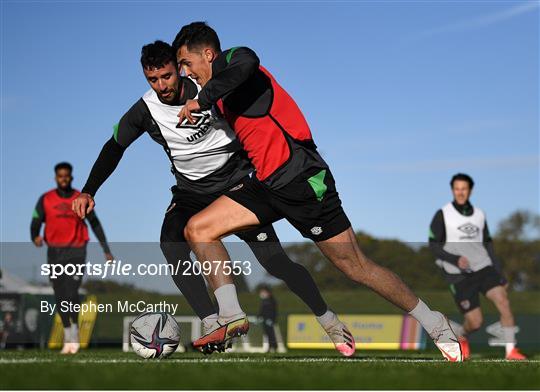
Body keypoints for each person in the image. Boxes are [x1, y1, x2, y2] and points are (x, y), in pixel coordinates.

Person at [173, 21, 462, 362]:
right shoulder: (221, 100)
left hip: (303, 178)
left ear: (208, 54)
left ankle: (434, 321)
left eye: (186, 64)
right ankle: (231, 314)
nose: (185, 73)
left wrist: (201, 100)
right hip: (266, 183)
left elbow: (248, 62)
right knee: (198, 228)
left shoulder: (233, 61)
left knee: (355, 266)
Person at [72, 41, 355, 356]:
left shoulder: (207, 84)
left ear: (179, 68)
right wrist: (88, 190)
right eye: (153, 80)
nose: (161, 85)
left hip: (236, 184)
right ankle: (213, 323)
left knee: (276, 263)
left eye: (166, 76)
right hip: (191, 192)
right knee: (171, 244)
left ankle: (328, 320)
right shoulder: (145, 110)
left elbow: (243, 75)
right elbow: (114, 145)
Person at [429, 173, 526, 360]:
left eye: (464, 188)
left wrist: (499, 273)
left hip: (484, 267)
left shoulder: (480, 215)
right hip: (458, 274)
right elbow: (433, 245)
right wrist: (455, 259)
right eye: (457, 188)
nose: (460, 192)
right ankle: (461, 335)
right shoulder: (443, 214)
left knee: (503, 301)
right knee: (475, 322)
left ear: (470, 190)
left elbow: (488, 244)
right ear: (452, 190)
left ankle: (511, 351)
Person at [31, 162, 113, 354]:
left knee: (71, 291)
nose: (64, 179)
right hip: (54, 252)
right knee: (59, 293)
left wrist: (106, 249)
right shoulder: (46, 199)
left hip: (76, 251)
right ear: (56, 178)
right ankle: (67, 331)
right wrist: (34, 235)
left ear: (71, 177)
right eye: (60, 176)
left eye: (66, 176)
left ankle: (74, 332)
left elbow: (95, 223)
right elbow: (35, 222)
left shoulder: (80, 198)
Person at [258, 286, 278, 353]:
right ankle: (270, 347)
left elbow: (274, 311)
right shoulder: (264, 301)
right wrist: (259, 316)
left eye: (263, 292)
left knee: (271, 334)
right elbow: (262, 311)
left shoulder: (272, 301)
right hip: (265, 320)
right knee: (267, 334)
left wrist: (272, 319)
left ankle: (274, 347)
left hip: (270, 320)